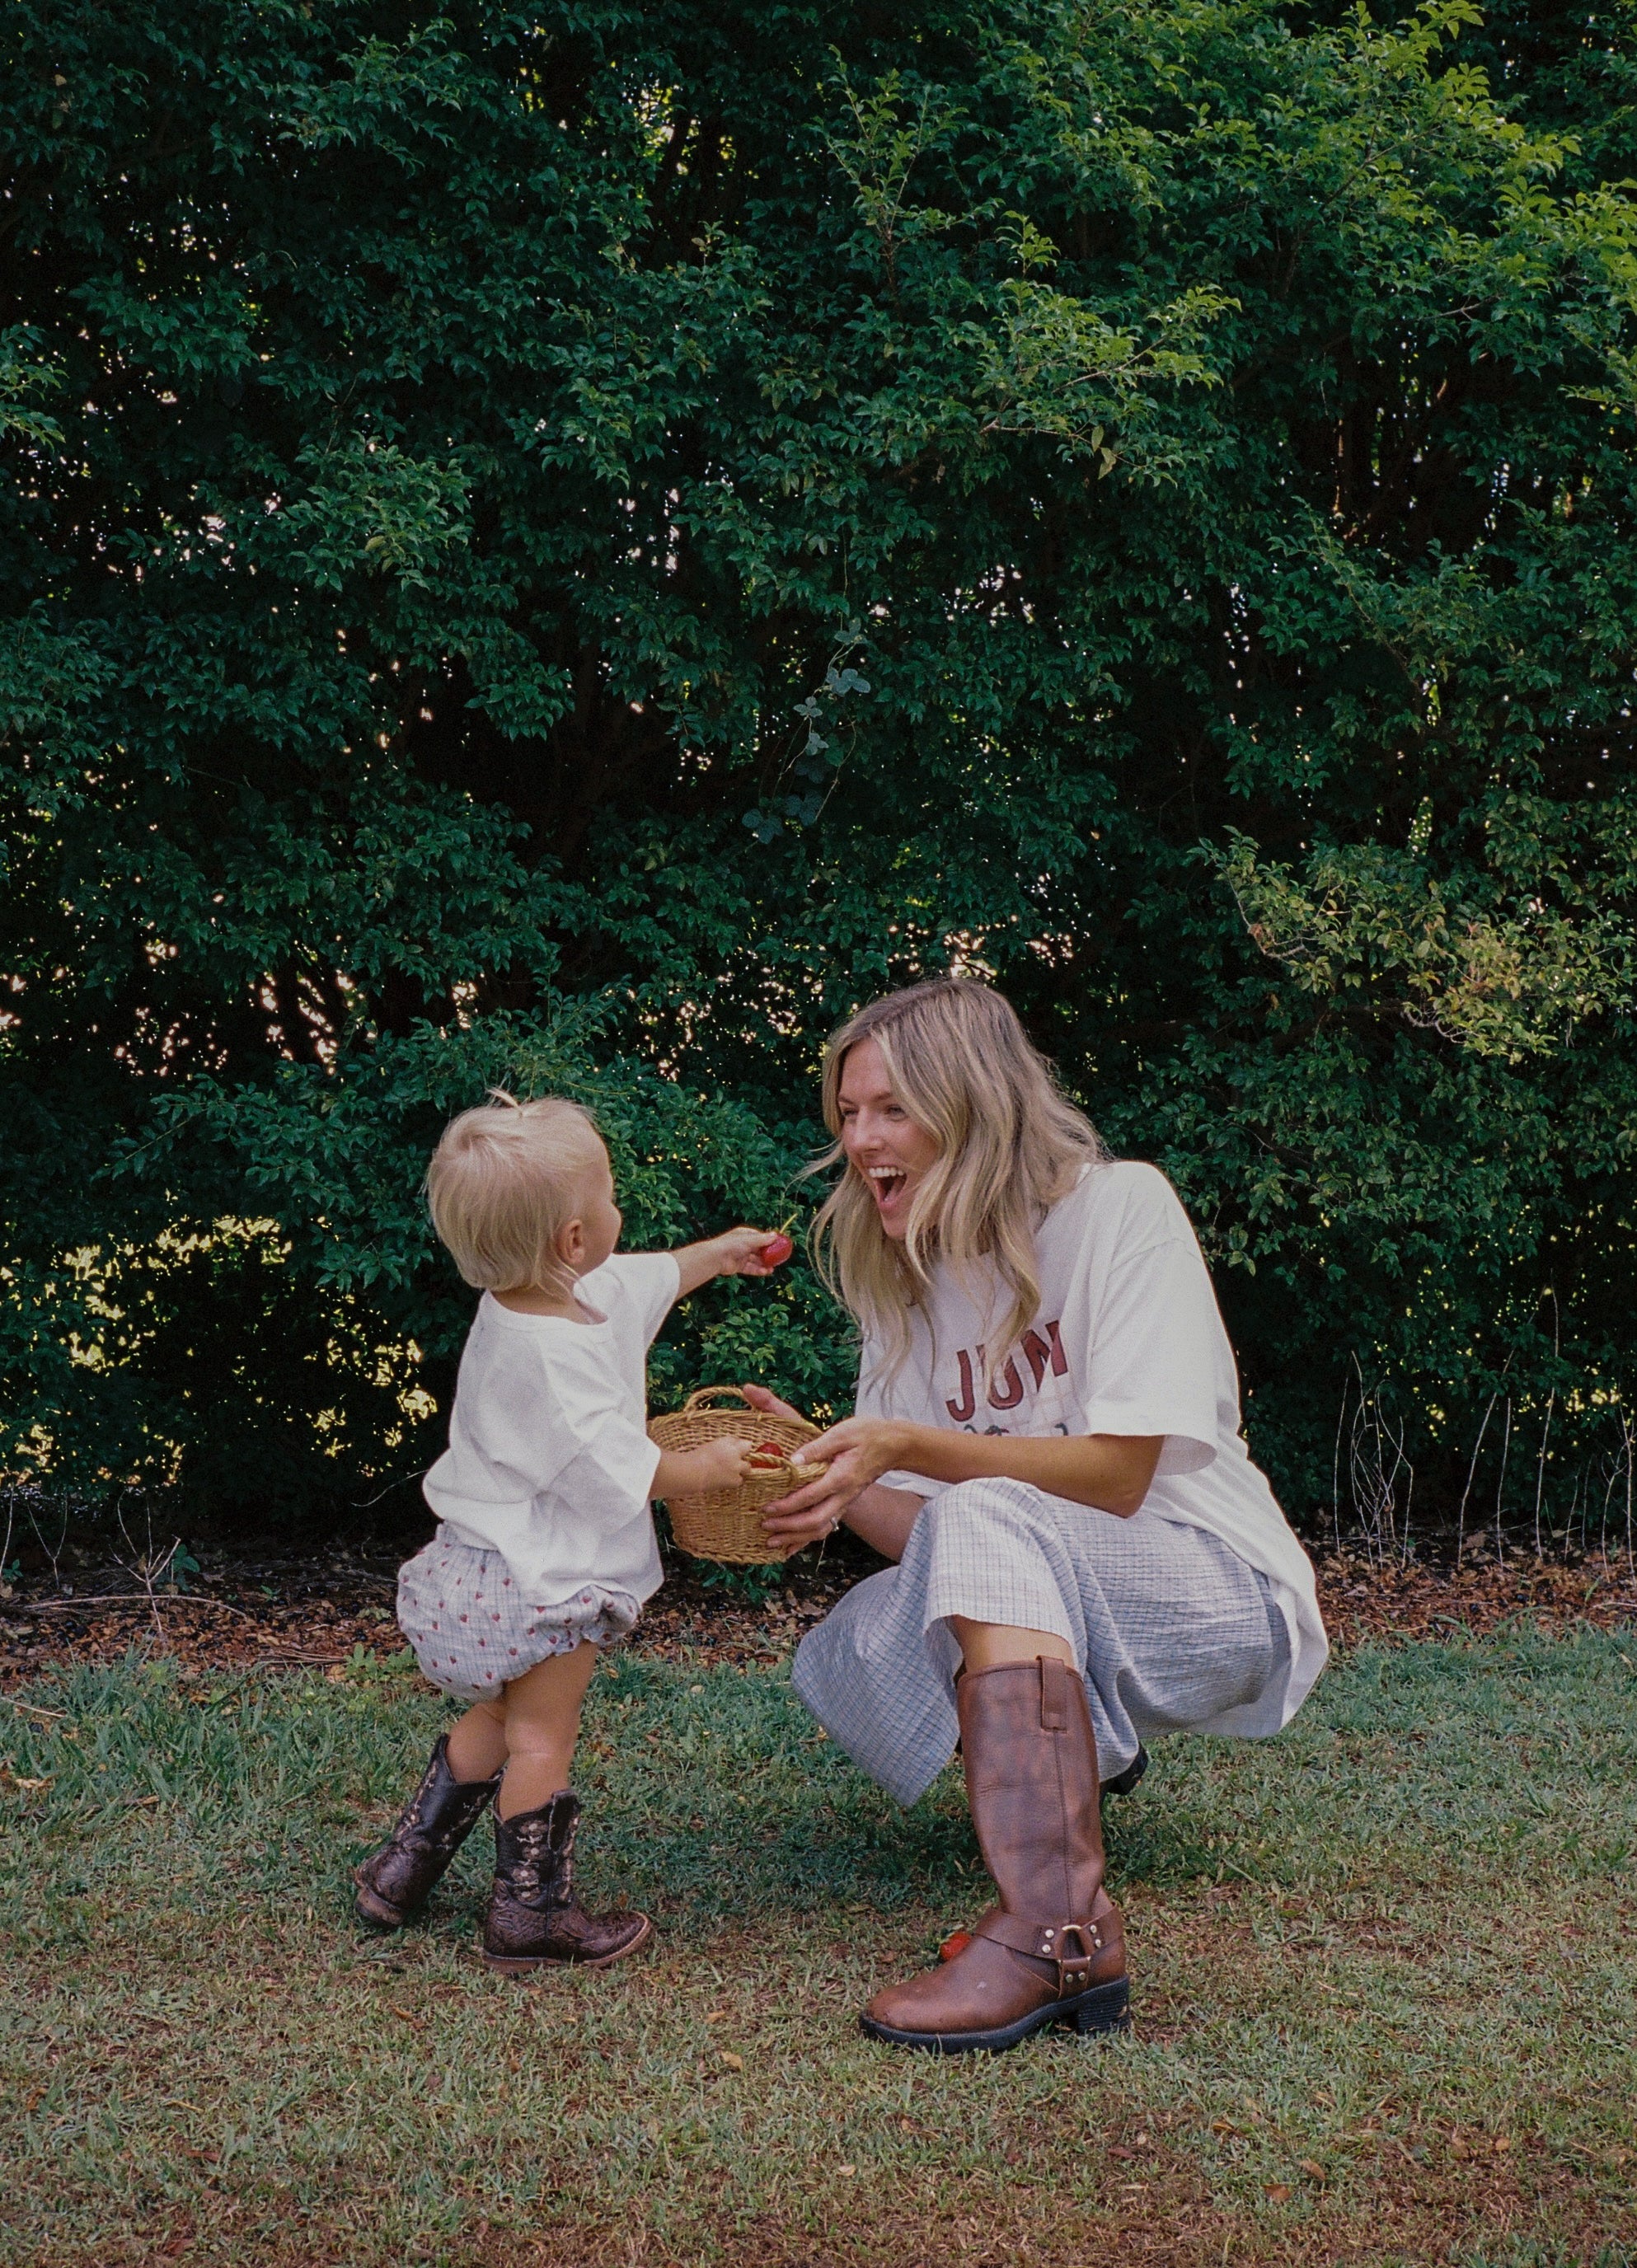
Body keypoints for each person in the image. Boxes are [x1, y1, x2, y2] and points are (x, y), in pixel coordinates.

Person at [743, 979, 1328, 2053]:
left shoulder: (1119, 1209)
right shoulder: (904, 1279)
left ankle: (1057, 1934)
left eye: (888, 1110)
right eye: (846, 1114)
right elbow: (936, 1537)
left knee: (984, 1513)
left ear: (969, 1106)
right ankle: (1084, 1741)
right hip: (1053, 1575)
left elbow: (1115, 1477)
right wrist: (826, 1479)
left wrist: (910, 1448)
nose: (857, 1138)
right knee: (863, 1632)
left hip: (1213, 1590)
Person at [354, 1093, 781, 1970]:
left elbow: (643, 1278)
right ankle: (530, 1916)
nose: (623, 1209)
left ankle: (402, 1868)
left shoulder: (545, 1297)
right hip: (541, 1579)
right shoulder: (548, 1361)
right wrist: (711, 1467)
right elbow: (625, 1465)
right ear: (574, 1241)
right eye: (612, 1194)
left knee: (501, 1712)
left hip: (480, 1562)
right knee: (542, 1735)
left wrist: (721, 1254)